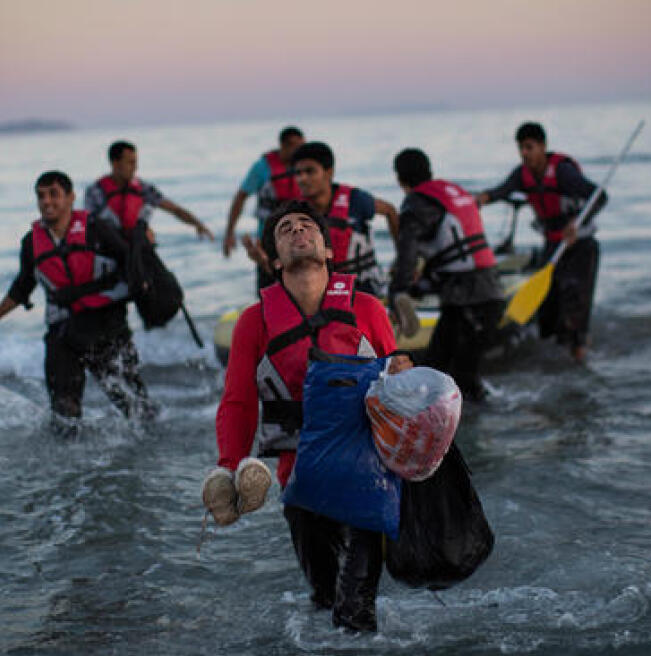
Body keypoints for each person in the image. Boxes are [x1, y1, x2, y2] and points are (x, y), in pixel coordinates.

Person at [206, 200, 411, 632]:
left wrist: (405, 375)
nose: (298, 231)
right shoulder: (254, 322)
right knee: (322, 602)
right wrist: (229, 468)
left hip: (368, 480)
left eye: (307, 226)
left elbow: (399, 395)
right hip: (301, 483)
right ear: (275, 259)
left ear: (329, 250)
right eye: (285, 229)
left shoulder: (369, 309)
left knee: (354, 614)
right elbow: (238, 402)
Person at [0, 171, 154, 423]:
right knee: (64, 413)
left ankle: (148, 453)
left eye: (54, 194)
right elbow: (22, 287)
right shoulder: (31, 243)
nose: (46, 202)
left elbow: (131, 267)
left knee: (136, 407)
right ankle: (69, 462)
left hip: (107, 329)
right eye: (41, 196)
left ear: (70, 198)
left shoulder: (98, 230)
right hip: (63, 334)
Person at [475, 122, 607, 362]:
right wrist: (480, 200)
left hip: (580, 245)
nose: (525, 154)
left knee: (575, 298)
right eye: (521, 149)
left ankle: (579, 353)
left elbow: (600, 196)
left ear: (542, 147)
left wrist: (577, 222)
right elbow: (502, 191)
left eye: (529, 147)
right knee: (550, 302)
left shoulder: (563, 172)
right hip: (552, 244)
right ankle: (556, 353)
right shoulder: (522, 174)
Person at [391, 148, 505, 402]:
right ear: (429, 171)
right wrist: (421, 285)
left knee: (457, 377)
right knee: (438, 368)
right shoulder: (453, 191)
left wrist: (399, 291)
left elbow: (407, 251)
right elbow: (451, 250)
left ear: (400, 180)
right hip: (488, 292)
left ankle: (465, 433)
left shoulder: (416, 203)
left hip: (469, 299)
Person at [292, 141, 398, 297]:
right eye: (298, 173)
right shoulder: (296, 212)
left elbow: (390, 211)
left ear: (329, 172)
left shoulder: (356, 200)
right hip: (325, 290)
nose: (302, 179)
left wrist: (402, 260)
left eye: (310, 171)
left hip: (366, 286)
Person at [222, 126, 306, 292]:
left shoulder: (304, 168)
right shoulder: (262, 168)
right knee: (269, 289)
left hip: (299, 239)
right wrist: (229, 233)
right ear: (283, 145)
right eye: (293, 146)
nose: (298, 151)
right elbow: (240, 198)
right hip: (269, 240)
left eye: (301, 146)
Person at [85, 140, 214, 243]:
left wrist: (198, 224)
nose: (135, 167)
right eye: (130, 163)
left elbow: (175, 210)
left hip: (140, 248)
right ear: (115, 163)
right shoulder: (95, 192)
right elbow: (90, 226)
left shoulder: (143, 189)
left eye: (135, 162)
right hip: (110, 249)